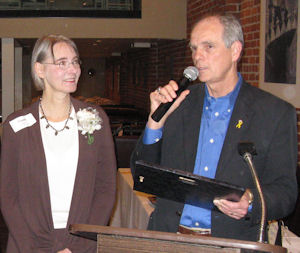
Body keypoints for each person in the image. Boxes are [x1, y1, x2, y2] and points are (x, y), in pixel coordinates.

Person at [131, 14, 298, 241]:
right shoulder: (178, 104)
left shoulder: (274, 113)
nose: (197, 57)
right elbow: (141, 175)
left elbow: (286, 192)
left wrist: (250, 202)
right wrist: (155, 123)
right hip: (171, 239)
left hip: (232, 242)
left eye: (208, 46)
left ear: (235, 51)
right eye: (194, 48)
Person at [0, 35, 117, 252]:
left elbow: (106, 188)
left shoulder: (96, 118)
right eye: (62, 63)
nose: (73, 69)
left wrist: (81, 243)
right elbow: (8, 194)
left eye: (75, 62)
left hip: (82, 240)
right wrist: (33, 247)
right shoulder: (15, 126)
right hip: (28, 242)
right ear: (40, 69)